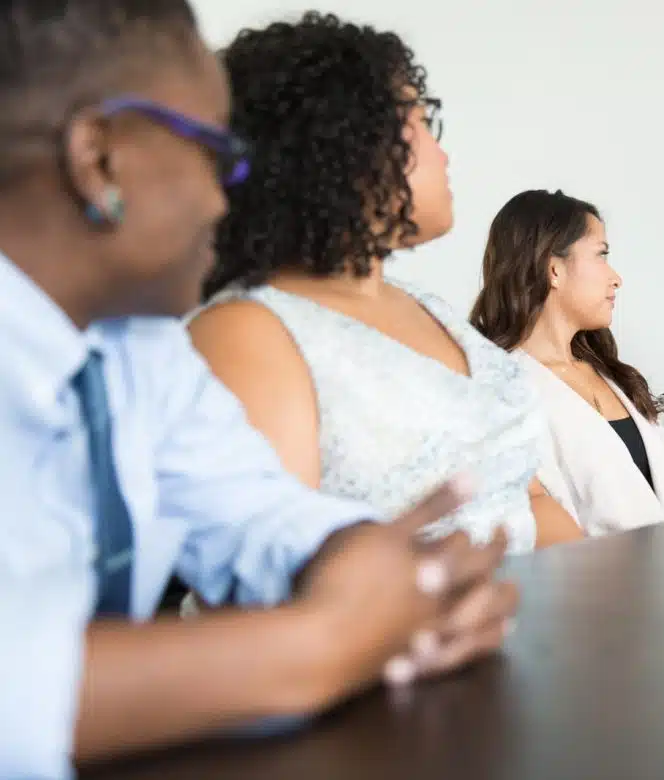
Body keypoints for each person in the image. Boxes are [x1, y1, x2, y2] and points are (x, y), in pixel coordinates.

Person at [0, 3, 514, 777]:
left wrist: (391, 577)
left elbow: (262, 516)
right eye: (217, 150)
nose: (227, 196)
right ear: (97, 160)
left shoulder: (139, 351)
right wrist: (327, 642)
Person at [187, 14, 581, 553]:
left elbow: (527, 497)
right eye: (421, 119)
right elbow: (273, 587)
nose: (442, 152)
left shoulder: (431, 309)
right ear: (343, 140)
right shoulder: (246, 332)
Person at [470, 190, 664, 534]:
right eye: (601, 254)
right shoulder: (502, 392)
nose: (616, 278)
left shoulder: (616, 376)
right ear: (553, 269)